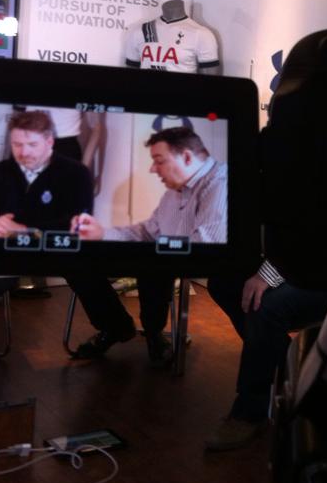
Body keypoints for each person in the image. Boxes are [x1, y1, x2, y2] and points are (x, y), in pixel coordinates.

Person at [70, 127, 227, 365]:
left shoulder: (220, 183)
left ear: (186, 157)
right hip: (163, 255)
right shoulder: (174, 192)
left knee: (153, 262)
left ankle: (154, 332)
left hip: (193, 263)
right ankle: (115, 327)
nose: (153, 169)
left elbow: (206, 246)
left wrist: (153, 247)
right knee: (75, 262)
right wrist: (101, 233)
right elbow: (148, 231)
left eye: (159, 161)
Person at [0, 110, 93, 306]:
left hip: (60, 248)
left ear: (49, 141)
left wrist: (24, 230)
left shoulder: (76, 173)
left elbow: (80, 225)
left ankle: (117, 323)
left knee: (87, 273)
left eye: (32, 145)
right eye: (17, 144)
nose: (24, 152)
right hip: (11, 252)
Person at [204, 265, 327, 451]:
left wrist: (266, 276)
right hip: (303, 268)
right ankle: (289, 364)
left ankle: (250, 412)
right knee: (222, 284)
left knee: (263, 306)